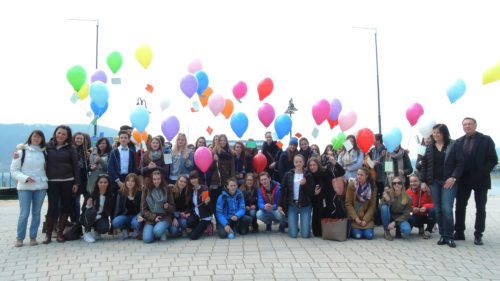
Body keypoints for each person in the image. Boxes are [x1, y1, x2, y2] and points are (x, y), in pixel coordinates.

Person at [454, 117, 498, 245]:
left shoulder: (486, 140)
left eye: (469, 124)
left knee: (480, 208)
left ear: (475, 125)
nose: (467, 126)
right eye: (465, 124)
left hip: (480, 179)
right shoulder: (459, 141)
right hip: (463, 179)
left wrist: (483, 171)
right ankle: (459, 232)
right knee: (460, 206)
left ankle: (478, 234)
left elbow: (493, 159)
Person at [419, 124, 463, 248]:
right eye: (434, 132)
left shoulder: (453, 144)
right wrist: (423, 181)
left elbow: (460, 163)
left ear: (444, 133)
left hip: (448, 182)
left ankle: (450, 236)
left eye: (438, 132)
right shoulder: (429, 147)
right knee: (438, 210)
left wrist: (453, 177)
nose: (435, 134)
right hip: (434, 182)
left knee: (447, 209)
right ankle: (443, 235)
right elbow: (424, 165)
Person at [10, 130, 48, 247]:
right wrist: (25, 178)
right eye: (34, 136)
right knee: (24, 213)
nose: (36, 138)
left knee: (36, 213)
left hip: (40, 186)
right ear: (30, 137)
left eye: (39, 137)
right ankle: (19, 238)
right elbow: (14, 170)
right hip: (24, 187)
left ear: (42, 139)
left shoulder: (45, 152)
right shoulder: (21, 152)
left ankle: (33, 237)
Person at [44, 125, 80, 244]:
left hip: (67, 181)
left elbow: (76, 166)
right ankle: (48, 235)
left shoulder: (71, 148)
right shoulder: (46, 146)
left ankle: (60, 233)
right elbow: (30, 148)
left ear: (68, 136)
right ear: (55, 133)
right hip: (52, 181)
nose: (61, 136)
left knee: (66, 207)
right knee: (52, 208)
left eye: (64, 134)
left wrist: (76, 182)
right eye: (59, 133)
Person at [308, 156, 346, 237]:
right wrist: (313, 192)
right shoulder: (308, 175)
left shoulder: (325, 172)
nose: (312, 167)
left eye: (314, 165)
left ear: (318, 165)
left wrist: (335, 163)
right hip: (316, 202)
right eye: (310, 165)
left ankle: (330, 231)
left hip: (328, 200)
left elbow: (342, 172)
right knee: (317, 232)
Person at [278, 154, 314, 238]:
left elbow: (311, 192)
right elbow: (282, 190)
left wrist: (305, 184)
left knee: (305, 235)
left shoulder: (308, 175)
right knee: (293, 235)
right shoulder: (288, 174)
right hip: (292, 205)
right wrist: (279, 205)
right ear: (294, 163)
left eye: (300, 162)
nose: (298, 164)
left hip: (305, 205)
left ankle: (306, 228)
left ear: (303, 163)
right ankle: (293, 227)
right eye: (296, 162)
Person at [140, 170, 175, 243]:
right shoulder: (146, 190)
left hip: (164, 217)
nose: (156, 181)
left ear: (161, 179)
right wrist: (153, 217)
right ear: (151, 180)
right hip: (151, 219)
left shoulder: (167, 189)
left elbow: (173, 208)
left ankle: (162, 230)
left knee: (157, 231)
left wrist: (168, 206)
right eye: (154, 179)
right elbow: (143, 210)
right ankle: (156, 231)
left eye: (158, 179)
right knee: (147, 239)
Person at [345, 167, 377, 240]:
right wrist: (356, 219)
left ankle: (367, 229)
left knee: (369, 236)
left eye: (361, 175)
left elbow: (372, 206)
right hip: (355, 218)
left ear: (367, 176)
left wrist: (365, 220)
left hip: (367, 219)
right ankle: (356, 230)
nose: (359, 176)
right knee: (358, 236)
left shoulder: (372, 187)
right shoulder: (351, 185)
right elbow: (348, 204)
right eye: (358, 174)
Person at [80, 174, 114, 243]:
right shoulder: (91, 194)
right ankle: (87, 232)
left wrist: (98, 217)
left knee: (104, 228)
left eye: (105, 182)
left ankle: (97, 230)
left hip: (101, 217)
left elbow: (109, 212)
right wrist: (88, 205)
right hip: (87, 217)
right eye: (101, 182)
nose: (103, 184)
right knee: (92, 212)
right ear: (97, 183)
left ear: (108, 184)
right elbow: (83, 210)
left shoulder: (111, 196)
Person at [380, 176, 413, 241]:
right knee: (384, 208)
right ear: (392, 185)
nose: (396, 184)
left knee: (407, 231)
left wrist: (395, 222)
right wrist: (387, 200)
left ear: (402, 184)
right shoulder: (388, 193)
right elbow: (380, 207)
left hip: (400, 218)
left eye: (399, 183)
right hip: (389, 216)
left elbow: (407, 214)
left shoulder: (408, 197)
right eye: (394, 183)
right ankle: (386, 231)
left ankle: (398, 229)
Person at [209, 134, 235, 215]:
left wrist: (232, 181)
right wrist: (214, 160)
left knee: (225, 202)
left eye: (224, 140)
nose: (223, 142)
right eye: (221, 140)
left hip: (226, 182)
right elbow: (210, 168)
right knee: (215, 202)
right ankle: (217, 221)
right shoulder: (213, 152)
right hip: (216, 182)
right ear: (218, 142)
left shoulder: (230, 153)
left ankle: (224, 221)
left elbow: (232, 168)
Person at [112, 173, 142, 239]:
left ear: (136, 182)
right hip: (125, 215)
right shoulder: (121, 193)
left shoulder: (140, 193)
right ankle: (125, 229)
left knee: (136, 223)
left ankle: (136, 230)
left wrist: (141, 215)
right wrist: (115, 218)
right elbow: (117, 208)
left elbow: (143, 208)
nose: (130, 183)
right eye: (128, 181)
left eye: (132, 181)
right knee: (115, 222)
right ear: (125, 182)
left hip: (136, 216)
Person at [108, 130, 137, 198]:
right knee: (115, 199)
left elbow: (133, 167)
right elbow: (110, 167)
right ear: (119, 139)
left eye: (125, 138)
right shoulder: (114, 152)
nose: (123, 139)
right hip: (116, 179)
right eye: (121, 137)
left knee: (127, 199)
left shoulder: (132, 152)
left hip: (128, 178)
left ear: (129, 140)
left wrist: (131, 180)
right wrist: (118, 180)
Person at [406, 174, 435, 239]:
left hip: (426, 214)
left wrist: (426, 207)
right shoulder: (407, 192)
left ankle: (428, 230)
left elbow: (434, 203)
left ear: (419, 181)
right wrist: (413, 208)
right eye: (411, 181)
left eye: (415, 181)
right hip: (416, 214)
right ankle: (420, 226)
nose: (413, 183)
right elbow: (406, 206)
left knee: (434, 211)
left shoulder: (426, 190)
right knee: (410, 218)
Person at [186, 170, 213, 240]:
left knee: (192, 236)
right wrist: (188, 213)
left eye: (195, 178)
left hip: (205, 216)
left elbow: (209, 207)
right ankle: (201, 227)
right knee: (189, 222)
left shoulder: (204, 189)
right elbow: (191, 205)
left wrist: (208, 202)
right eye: (191, 178)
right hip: (197, 215)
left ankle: (208, 224)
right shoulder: (191, 190)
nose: (193, 180)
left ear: (198, 178)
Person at [72, 132, 91, 223]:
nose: (79, 140)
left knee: (87, 198)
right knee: (75, 201)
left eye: (81, 139)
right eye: (77, 138)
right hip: (75, 178)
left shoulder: (85, 151)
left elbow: (87, 166)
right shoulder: (71, 149)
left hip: (84, 178)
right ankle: (75, 221)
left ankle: (83, 218)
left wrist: (87, 159)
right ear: (74, 139)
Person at [367, 134, 387, 201]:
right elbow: (370, 164)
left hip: (383, 178)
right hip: (374, 177)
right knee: (375, 197)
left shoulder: (386, 150)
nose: (371, 141)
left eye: (373, 139)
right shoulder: (372, 150)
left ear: (378, 141)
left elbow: (389, 167)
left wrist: (379, 164)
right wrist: (371, 163)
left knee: (383, 196)